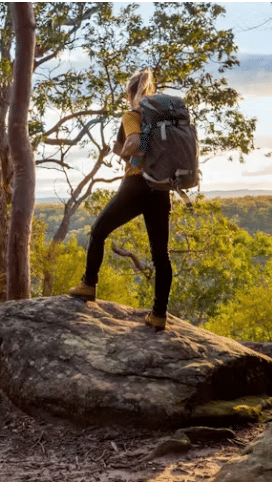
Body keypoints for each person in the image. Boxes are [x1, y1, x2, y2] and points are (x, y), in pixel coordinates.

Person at [68, 68, 172, 331]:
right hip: (160, 189)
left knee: (98, 231)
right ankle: (159, 315)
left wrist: (126, 152)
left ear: (130, 94)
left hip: (136, 184)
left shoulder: (132, 115)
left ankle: (88, 285)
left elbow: (135, 145)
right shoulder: (164, 121)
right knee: (161, 255)